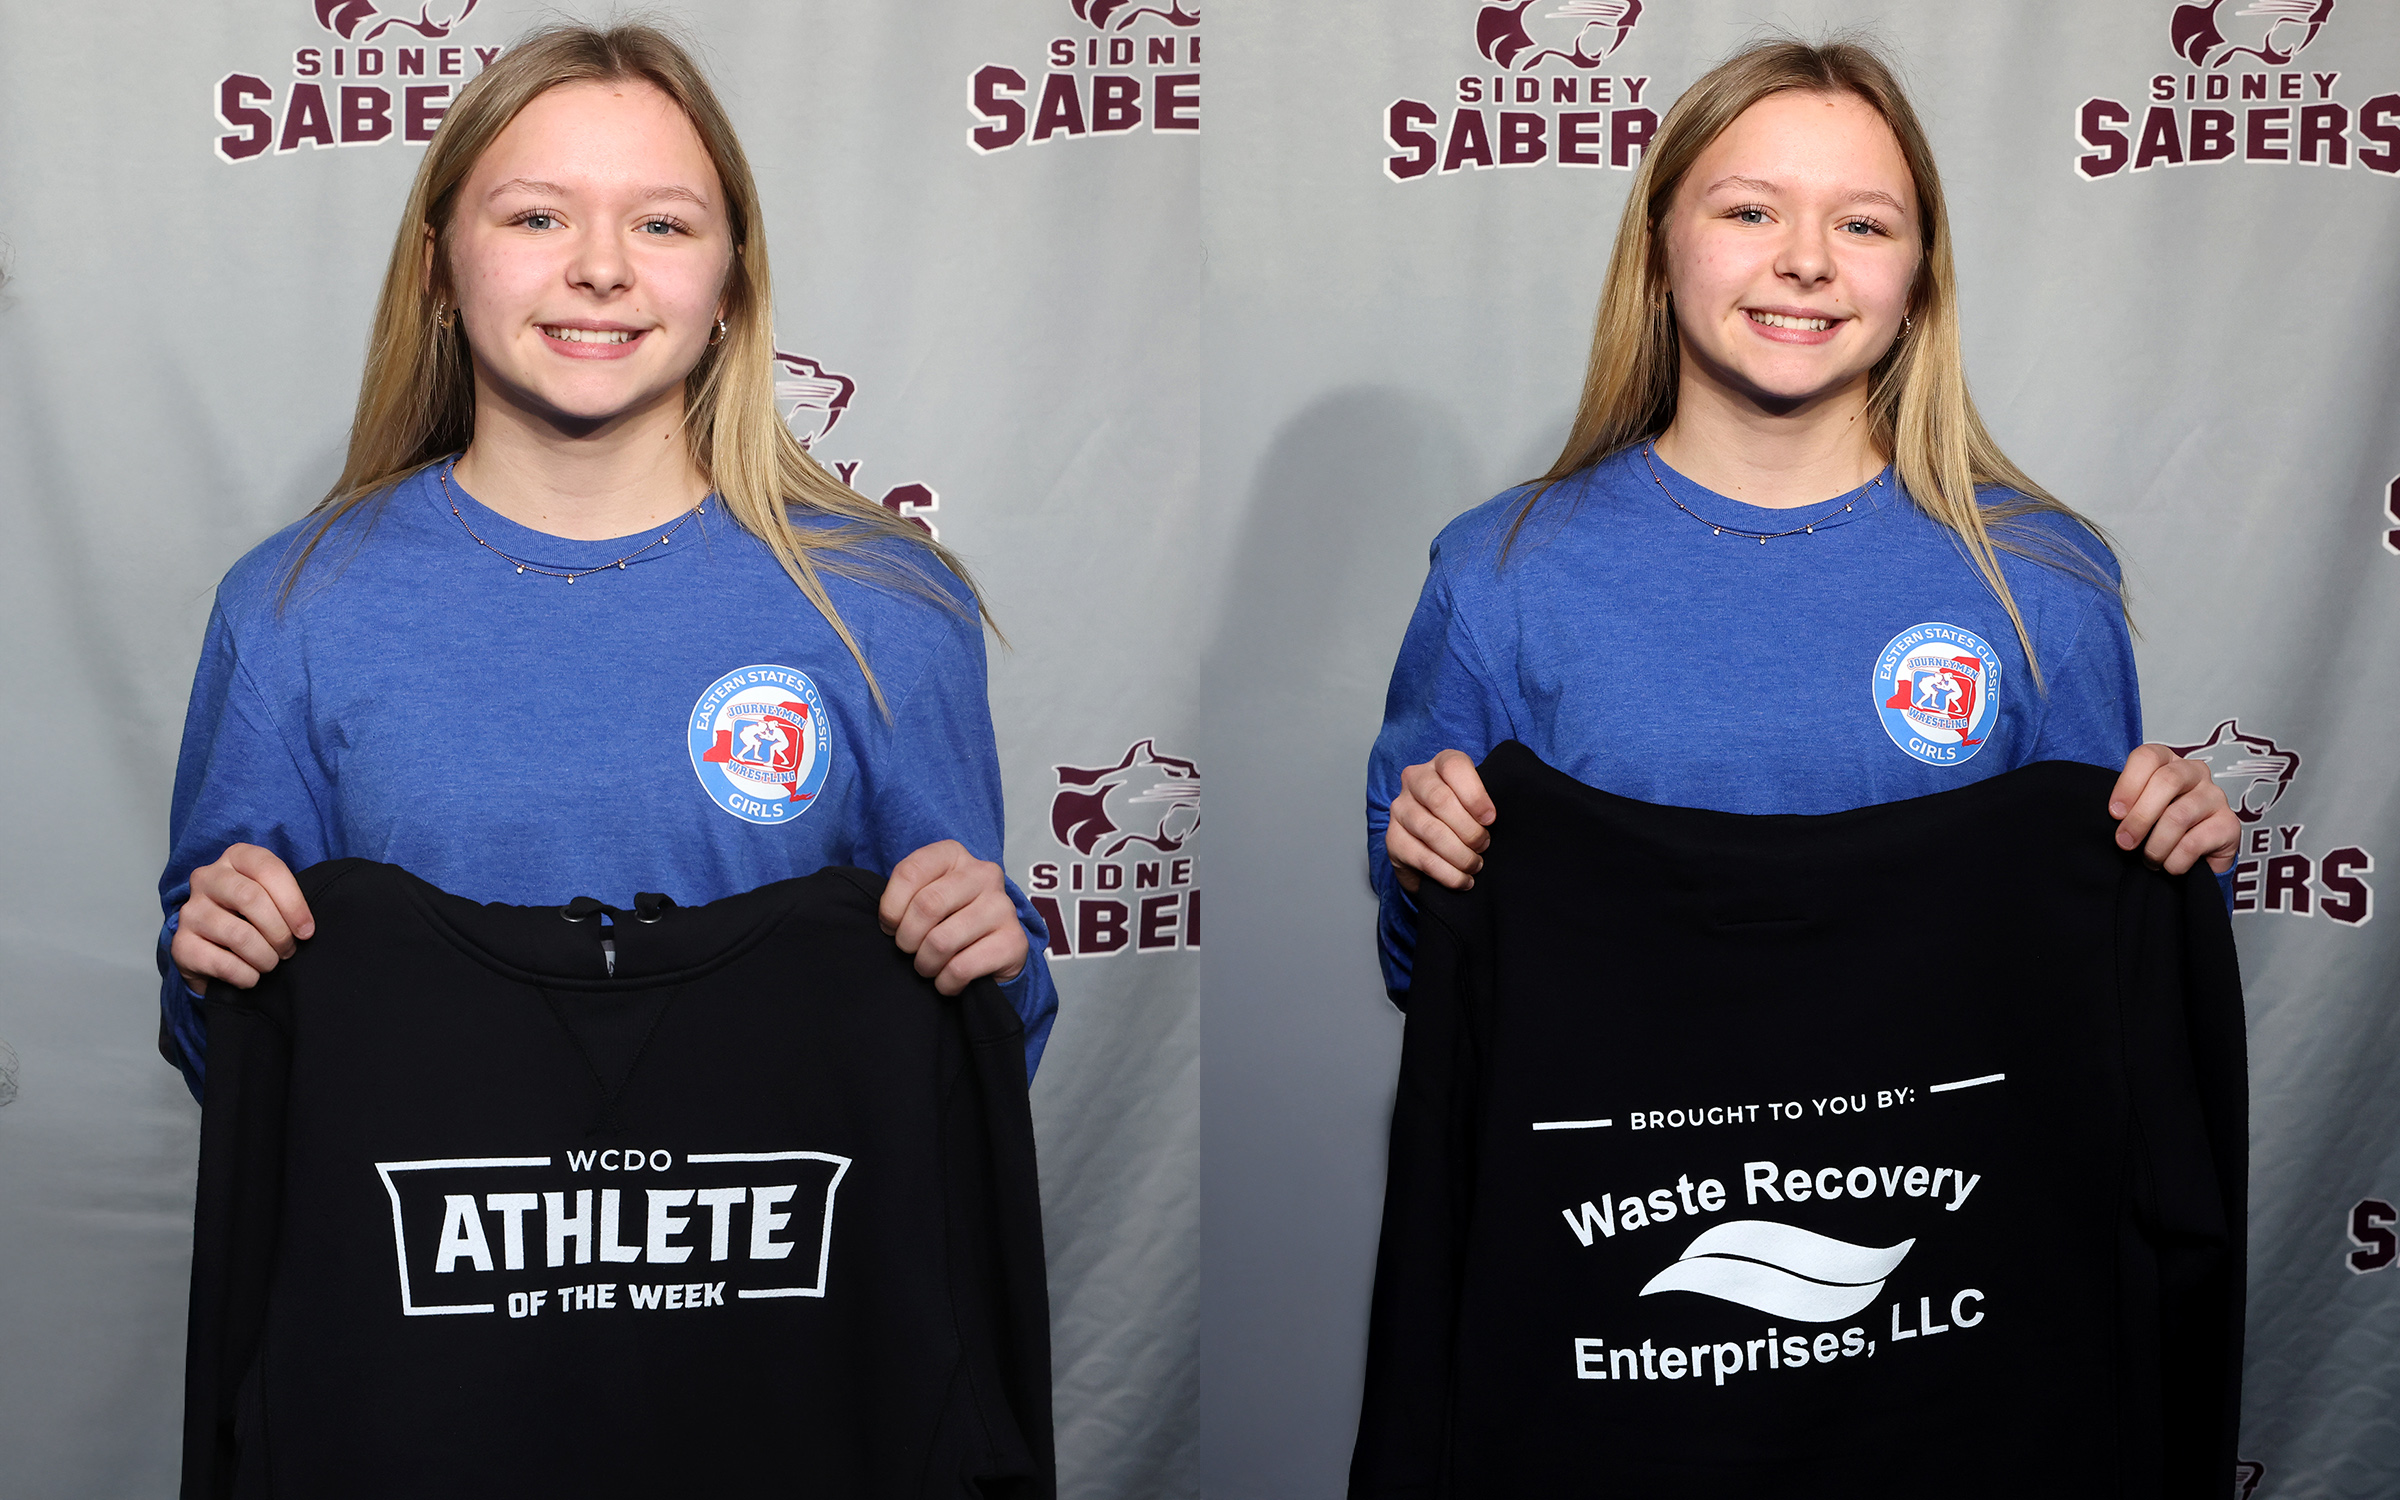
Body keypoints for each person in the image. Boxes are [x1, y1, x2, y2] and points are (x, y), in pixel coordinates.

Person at [157, 23, 1055, 1092]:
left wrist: (995, 963)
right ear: (440, 265)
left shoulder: (888, 604)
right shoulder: (290, 609)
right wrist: (213, 965)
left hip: (769, 1254)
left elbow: (977, 1046)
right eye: (537, 216)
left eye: (663, 224)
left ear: (728, 287)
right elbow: (232, 1060)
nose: (599, 269)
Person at [1367, 38, 2239, 996]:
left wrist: (2175, 861)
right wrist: (1424, 874)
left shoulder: (2040, 574)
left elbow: (2093, 972)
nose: (1808, 261)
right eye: (1749, 211)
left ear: (1916, 284)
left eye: (1863, 226)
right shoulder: (1500, 570)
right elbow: (1427, 976)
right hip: (1622, 1140)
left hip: (1938, 1145)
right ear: (1660, 253)